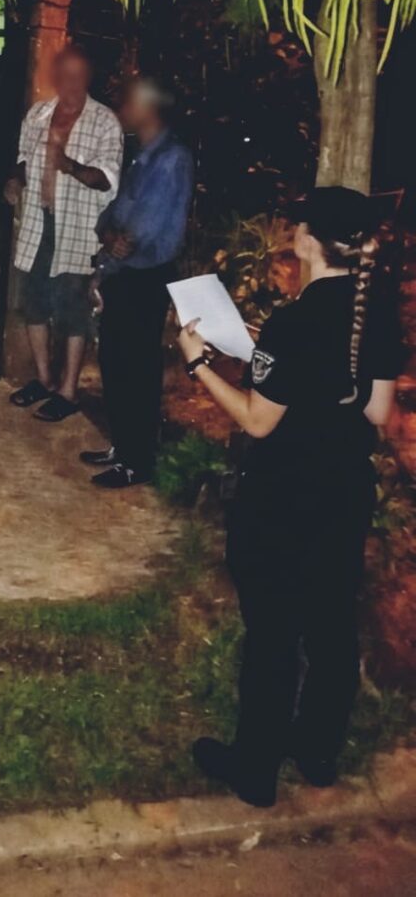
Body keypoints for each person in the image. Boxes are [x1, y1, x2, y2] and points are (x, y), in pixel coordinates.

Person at [175, 186, 402, 808]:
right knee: (330, 624)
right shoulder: (375, 310)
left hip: (282, 498)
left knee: (273, 634)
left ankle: (254, 769)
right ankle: (317, 752)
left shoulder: (294, 321)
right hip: (345, 492)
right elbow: (377, 411)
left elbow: (257, 421)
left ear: (307, 241)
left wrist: (198, 364)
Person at [85, 76, 194, 488]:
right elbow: (108, 220)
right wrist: (110, 238)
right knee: (116, 362)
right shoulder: (144, 155)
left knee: (137, 368)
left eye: (129, 101)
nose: (122, 107)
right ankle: (123, 446)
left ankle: (137, 460)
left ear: (149, 107)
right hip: (125, 274)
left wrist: (113, 240)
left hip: (145, 277)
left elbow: (136, 233)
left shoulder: (171, 159)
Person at [5, 44, 123, 421]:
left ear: (88, 78)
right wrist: (15, 181)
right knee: (33, 305)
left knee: (74, 311)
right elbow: (24, 160)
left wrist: (69, 166)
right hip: (38, 224)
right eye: (64, 74)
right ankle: (43, 379)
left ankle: (68, 391)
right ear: (55, 76)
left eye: (78, 75)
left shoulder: (105, 122)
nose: (70, 82)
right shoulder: (38, 114)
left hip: (78, 230)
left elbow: (108, 180)